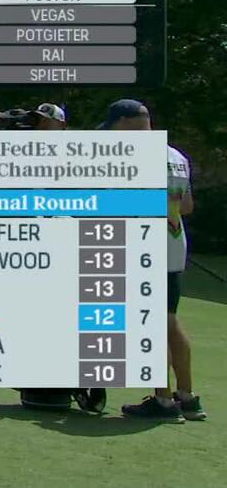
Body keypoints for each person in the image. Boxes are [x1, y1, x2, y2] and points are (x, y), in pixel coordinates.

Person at [108, 100, 205, 422]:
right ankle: (187, 397)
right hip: (174, 247)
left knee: (150, 326)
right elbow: (187, 205)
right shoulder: (176, 156)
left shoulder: (128, 156)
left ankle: (163, 401)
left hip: (144, 249)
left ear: (122, 122)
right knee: (170, 322)